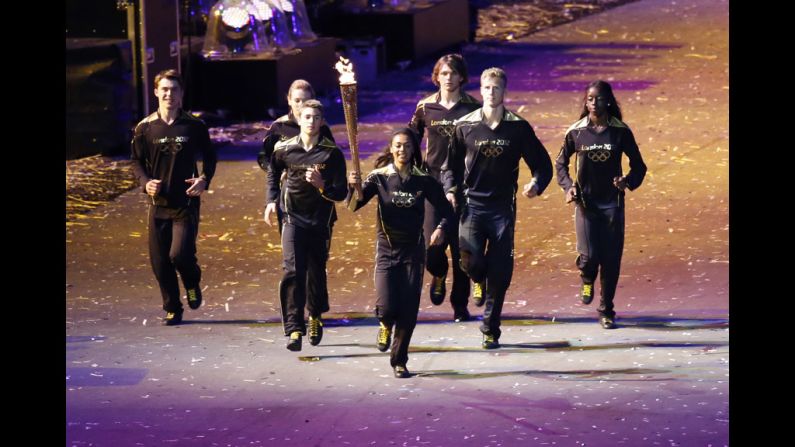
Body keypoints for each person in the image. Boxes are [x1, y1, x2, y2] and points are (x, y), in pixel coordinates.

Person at [443, 67, 553, 349]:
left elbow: (542, 164)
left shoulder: (518, 127)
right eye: (487, 88)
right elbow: (450, 166)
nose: (491, 93)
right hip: (472, 207)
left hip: (503, 208)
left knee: (501, 271)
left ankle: (490, 328)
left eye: (496, 88)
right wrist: (451, 190)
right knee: (471, 262)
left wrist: (536, 185)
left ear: (504, 92)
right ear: (480, 91)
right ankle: (477, 277)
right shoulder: (465, 126)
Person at [347, 128, 454, 378]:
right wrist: (353, 188)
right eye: (397, 145)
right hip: (386, 251)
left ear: (413, 149)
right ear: (391, 148)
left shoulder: (423, 179)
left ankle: (399, 360)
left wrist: (441, 228)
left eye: (406, 146)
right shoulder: (379, 177)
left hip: (413, 253)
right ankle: (384, 323)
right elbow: (353, 206)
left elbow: (447, 211)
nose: (401, 150)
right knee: (386, 307)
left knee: (408, 308)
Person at [554, 80, 647, 329]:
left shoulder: (620, 131)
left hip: (612, 204)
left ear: (609, 101)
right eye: (590, 99)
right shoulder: (576, 132)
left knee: (611, 259)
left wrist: (627, 181)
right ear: (586, 102)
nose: (594, 103)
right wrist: (568, 186)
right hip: (586, 204)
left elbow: (639, 166)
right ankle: (586, 275)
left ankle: (606, 310)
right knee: (589, 256)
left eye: (599, 98)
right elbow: (560, 164)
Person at [131, 69, 217, 326]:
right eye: (165, 89)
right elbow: (135, 162)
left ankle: (192, 282)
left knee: (179, 255)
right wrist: (146, 183)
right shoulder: (145, 127)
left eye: (174, 90)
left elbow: (210, 157)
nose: (169, 94)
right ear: (156, 92)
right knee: (160, 262)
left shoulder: (194, 126)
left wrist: (204, 180)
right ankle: (172, 308)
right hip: (158, 205)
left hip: (186, 203)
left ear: (181, 94)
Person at [264, 99, 347, 351]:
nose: (311, 122)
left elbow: (341, 193)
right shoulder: (284, 148)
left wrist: (323, 185)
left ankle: (315, 315)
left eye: (316, 118)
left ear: (322, 122)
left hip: (320, 220)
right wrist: (270, 200)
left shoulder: (332, 153)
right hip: (292, 217)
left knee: (315, 271)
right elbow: (272, 171)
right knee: (292, 270)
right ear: (299, 119)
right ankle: (294, 328)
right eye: (307, 117)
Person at [408, 53, 481, 322]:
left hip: (463, 185)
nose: (448, 78)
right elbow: (410, 141)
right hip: (432, 184)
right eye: (443, 73)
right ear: (436, 76)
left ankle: (459, 306)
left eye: (453, 73)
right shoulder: (425, 108)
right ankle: (438, 274)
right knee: (432, 246)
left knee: (459, 247)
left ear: (462, 77)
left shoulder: (473, 108)